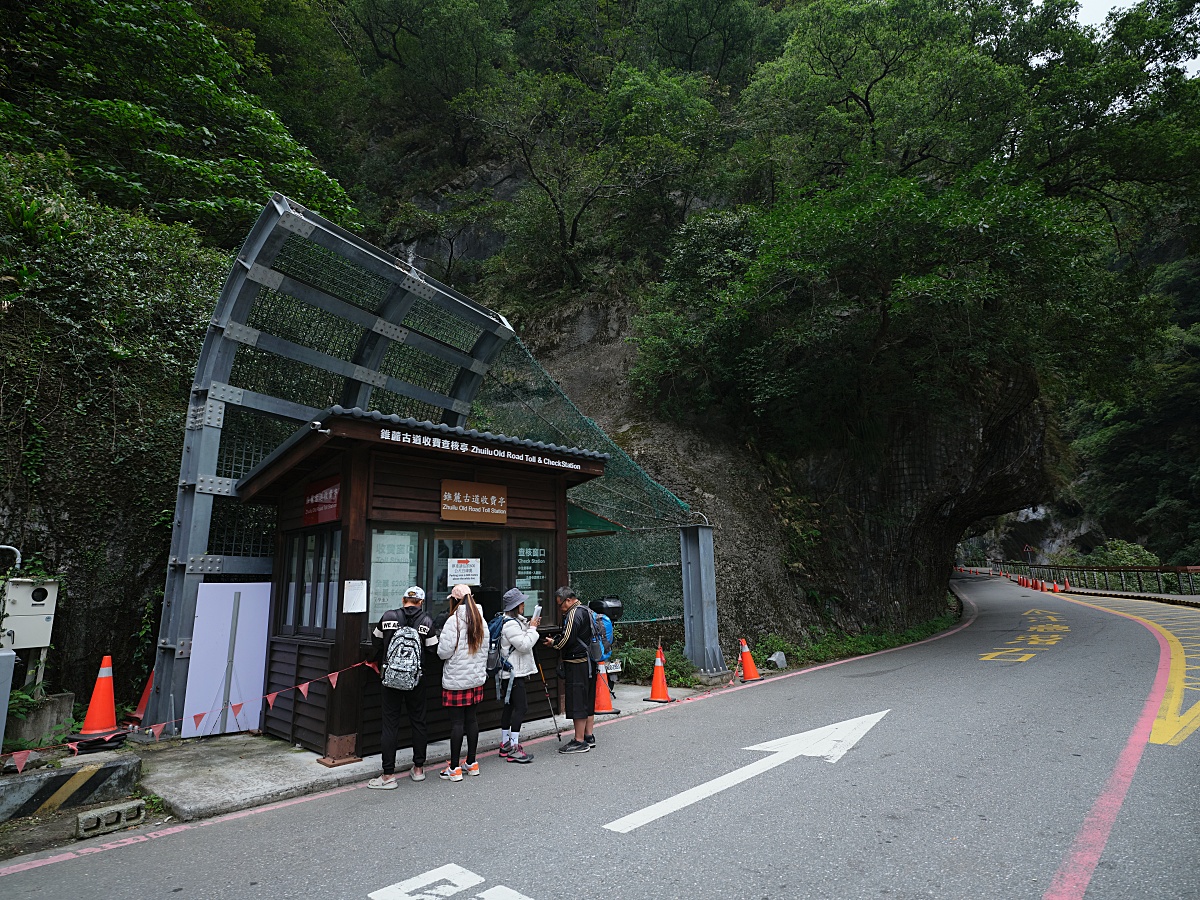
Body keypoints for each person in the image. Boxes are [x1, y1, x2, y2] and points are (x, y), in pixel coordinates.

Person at [368, 586, 438, 789]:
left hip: (390, 679)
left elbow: (376, 641)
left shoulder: (388, 616)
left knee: (390, 724)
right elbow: (432, 650)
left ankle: (388, 775)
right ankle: (418, 769)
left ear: (403, 599)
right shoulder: (426, 621)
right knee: (418, 721)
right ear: (421, 602)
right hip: (416, 679)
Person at [436, 583, 488, 781]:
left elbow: (443, 652)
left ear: (455, 600)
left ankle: (455, 768)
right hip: (475, 679)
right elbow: (484, 651)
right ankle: (472, 763)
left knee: (457, 723)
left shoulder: (453, 621)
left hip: (456, 679)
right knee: (472, 720)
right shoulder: (481, 620)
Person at [544, 585, 595, 754]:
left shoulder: (574, 613)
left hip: (577, 662)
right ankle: (589, 735)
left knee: (577, 700)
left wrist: (554, 643)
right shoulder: (586, 609)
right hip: (588, 661)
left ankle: (579, 741)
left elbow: (567, 638)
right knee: (587, 698)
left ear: (568, 600)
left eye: (561, 605)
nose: (560, 609)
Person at [497, 587, 542, 764]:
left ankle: (505, 744)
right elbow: (524, 645)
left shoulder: (512, 622)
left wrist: (529, 625)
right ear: (516, 605)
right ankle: (513, 747)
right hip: (513, 674)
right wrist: (533, 629)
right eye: (521, 602)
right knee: (521, 707)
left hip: (510, 673)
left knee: (509, 708)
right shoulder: (510, 624)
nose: (524, 604)